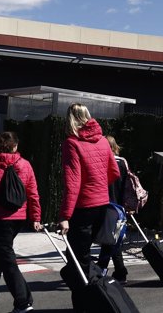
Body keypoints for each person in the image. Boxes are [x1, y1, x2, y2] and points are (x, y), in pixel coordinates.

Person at [57, 103, 120, 308]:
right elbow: (114, 172)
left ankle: (84, 304)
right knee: (82, 256)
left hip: (82, 207)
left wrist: (65, 215)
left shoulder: (71, 143)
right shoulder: (102, 141)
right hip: (101, 204)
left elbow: (72, 182)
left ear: (71, 119)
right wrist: (99, 185)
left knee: (77, 260)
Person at [0, 131, 42, 313]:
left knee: (6, 259)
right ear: (15, 146)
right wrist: (36, 217)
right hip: (18, 218)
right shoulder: (25, 165)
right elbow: (32, 193)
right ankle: (23, 301)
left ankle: (23, 301)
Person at [97, 135, 128, 284]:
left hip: (105, 205)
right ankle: (119, 272)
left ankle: (102, 269)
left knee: (109, 240)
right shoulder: (122, 163)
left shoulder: (102, 161)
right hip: (119, 207)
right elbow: (127, 185)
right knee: (113, 240)